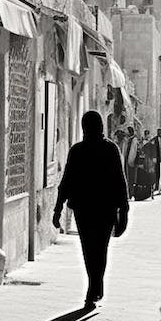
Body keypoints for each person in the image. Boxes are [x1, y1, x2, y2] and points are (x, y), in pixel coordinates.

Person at [53, 110, 129, 309]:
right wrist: (124, 212)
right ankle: (95, 285)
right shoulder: (105, 149)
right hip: (99, 208)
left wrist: (58, 208)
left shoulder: (85, 150)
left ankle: (94, 286)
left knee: (91, 248)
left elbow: (119, 180)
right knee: (96, 249)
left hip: (90, 208)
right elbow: (68, 179)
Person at [123, 125, 139, 198]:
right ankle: (127, 193)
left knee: (131, 178)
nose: (126, 133)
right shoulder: (128, 139)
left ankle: (130, 193)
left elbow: (133, 151)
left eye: (127, 132)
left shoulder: (134, 140)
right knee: (127, 177)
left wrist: (130, 161)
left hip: (131, 161)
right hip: (127, 160)